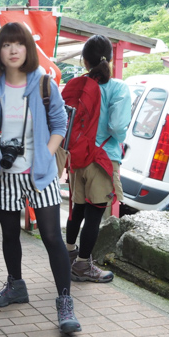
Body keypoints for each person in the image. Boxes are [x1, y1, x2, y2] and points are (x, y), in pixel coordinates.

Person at [0, 22, 81, 335]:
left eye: (19, 44)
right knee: (9, 235)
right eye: (6, 45)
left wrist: (45, 156)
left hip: (40, 174)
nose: (12, 50)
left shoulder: (44, 84)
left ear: (28, 49)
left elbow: (59, 125)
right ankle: (16, 286)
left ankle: (65, 301)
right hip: (6, 174)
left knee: (52, 237)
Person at [64, 35, 132, 281]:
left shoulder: (78, 84)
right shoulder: (118, 88)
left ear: (84, 61)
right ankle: (83, 266)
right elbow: (117, 127)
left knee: (77, 210)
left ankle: (69, 255)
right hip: (103, 159)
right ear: (110, 60)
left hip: (77, 158)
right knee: (94, 215)